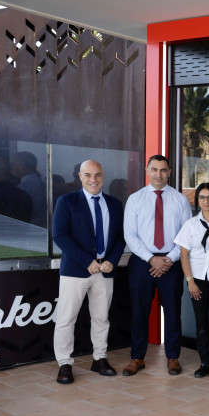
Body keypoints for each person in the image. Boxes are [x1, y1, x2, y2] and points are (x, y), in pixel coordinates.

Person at [51, 160, 125, 384]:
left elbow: (121, 237)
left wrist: (112, 260)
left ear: (103, 176)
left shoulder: (114, 203)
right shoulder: (67, 201)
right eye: (88, 175)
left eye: (98, 175)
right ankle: (64, 363)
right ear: (79, 176)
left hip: (105, 270)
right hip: (76, 270)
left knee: (101, 317)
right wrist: (86, 261)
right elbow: (60, 235)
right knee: (66, 318)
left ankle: (99, 358)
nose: (94, 180)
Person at [122, 154, 191, 376]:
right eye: (155, 169)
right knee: (139, 312)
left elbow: (186, 235)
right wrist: (151, 259)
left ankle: (173, 357)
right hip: (143, 262)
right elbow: (130, 235)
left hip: (172, 262)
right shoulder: (135, 199)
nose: (159, 174)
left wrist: (168, 259)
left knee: (172, 311)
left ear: (169, 172)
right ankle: (137, 358)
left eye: (163, 170)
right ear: (147, 170)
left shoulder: (180, 200)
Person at [174, 183, 209, 378]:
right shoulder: (190, 225)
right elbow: (184, 256)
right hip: (197, 279)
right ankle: (204, 361)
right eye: (202, 198)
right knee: (201, 323)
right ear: (197, 200)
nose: (206, 201)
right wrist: (190, 281)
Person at [10, 151, 47, 226]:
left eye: (13, 163)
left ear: (22, 166)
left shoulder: (26, 185)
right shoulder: (35, 181)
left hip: (31, 224)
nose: (11, 167)